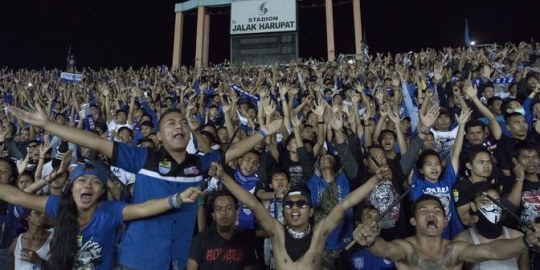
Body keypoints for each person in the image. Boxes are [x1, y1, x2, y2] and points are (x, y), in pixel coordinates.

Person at [8, 105, 282, 269]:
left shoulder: (199, 164)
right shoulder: (142, 158)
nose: (179, 126)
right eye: (171, 123)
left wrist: (264, 132)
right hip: (137, 260)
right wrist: (47, 125)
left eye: (183, 123)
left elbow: (232, 152)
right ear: (159, 135)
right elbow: (94, 142)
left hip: (177, 260)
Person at [0, 160, 202, 270]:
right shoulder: (59, 206)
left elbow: (142, 208)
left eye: (95, 182)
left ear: (101, 192)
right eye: (82, 181)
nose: (88, 185)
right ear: (71, 188)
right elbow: (16, 196)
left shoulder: (109, 211)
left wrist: (176, 199)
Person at [208, 160, 388, 270]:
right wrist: (224, 177)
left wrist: (376, 179)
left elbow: (345, 204)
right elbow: (253, 203)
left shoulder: (319, 233)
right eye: (289, 205)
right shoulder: (277, 232)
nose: (295, 209)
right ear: (284, 210)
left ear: (311, 211)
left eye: (301, 204)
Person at [352, 194, 540, 270]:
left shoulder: (455, 250)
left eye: (437, 211)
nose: (431, 214)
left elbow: (492, 251)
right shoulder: (406, 247)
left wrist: (526, 240)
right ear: (413, 221)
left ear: (445, 221)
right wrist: (370, 241)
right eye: (424, 211)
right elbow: (386, 250)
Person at [453, 183, 529, 270]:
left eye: (496, 202)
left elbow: (525, 267)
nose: (493, 206)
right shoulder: (463, 240)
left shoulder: (517, 237)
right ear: (473, 206)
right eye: (485, 202)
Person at [187, 191, 257, 270]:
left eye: (229, 208)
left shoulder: (245, 242)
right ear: (213, 215)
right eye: (219, 209)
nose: (223, 213)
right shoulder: (201, 240)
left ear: (236, 213)